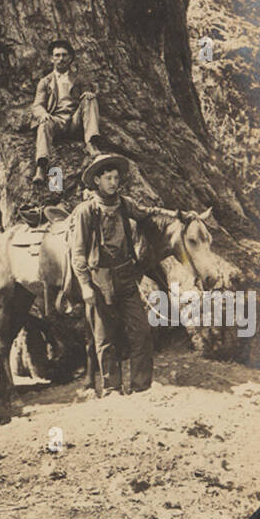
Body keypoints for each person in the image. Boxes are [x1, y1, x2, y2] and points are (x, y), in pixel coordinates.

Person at [70, 153, 192, 395]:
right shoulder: (86, 211)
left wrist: (178, 215)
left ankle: (141, 386)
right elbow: (78, 253)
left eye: (116, 177)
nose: (113, 182)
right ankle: (112, 388)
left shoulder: (125, 204)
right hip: (98, 279)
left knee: (141, 331)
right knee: (105, 337)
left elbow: (148, 213)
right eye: (108, 178)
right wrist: (84, 285)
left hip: (126, 276)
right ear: (96, 181)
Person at [31, 38, 102, 183]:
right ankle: (41, 166)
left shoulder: (79, 79)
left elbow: (89, 94)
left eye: (64, 55)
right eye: (57, 55)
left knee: (90, 99)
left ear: (70, 58)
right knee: (43, 124)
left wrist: (89, 94)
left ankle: (91, 144)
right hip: (56, 121)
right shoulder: (45, 82)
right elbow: (37, 105)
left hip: (75, 121)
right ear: (51, 59)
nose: (61, 59)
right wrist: (43, 114)